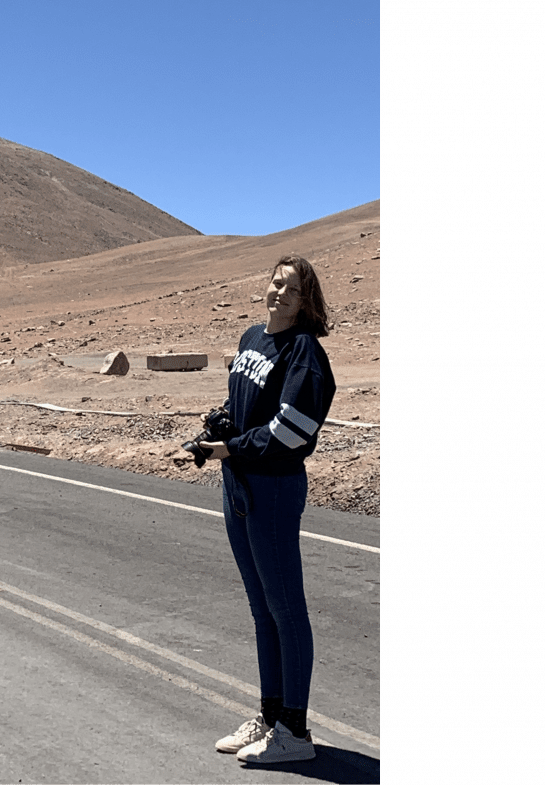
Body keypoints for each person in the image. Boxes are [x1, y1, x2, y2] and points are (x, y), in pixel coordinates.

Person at [201, 255, 336, 764]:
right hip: (237, 485)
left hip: (273, 488)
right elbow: (244, 407)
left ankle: (295, 733)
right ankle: (271, 713)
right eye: (275, 283)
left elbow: (293, 430)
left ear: (306, 302)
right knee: (262, 611)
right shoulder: (251, 338)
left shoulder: (304, 351)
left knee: (286, 611)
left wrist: (232, 448)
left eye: (292, 289)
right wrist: (218, 429)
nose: (279, 293)